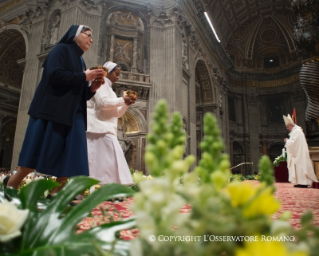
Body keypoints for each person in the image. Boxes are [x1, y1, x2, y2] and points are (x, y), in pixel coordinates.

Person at [7, 25, 106, 196]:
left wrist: (92, 88)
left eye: (92, 37)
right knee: (33, 157)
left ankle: (56, 195)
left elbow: (78, 93)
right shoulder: (61, 49)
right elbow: (54, 75)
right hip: (51, 111)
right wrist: (84, 76)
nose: (91, 39)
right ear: (74, 35)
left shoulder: (81, 61)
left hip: (72, 114)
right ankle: (9, 189)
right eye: (87, 35)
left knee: (69, 159)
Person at [86, 61, 135, 185]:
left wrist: (125, 104)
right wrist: (122, 99)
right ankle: (98, 186)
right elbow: (103, 104)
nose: (118, 77)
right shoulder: (100, 84)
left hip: (106, 128)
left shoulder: (110, 90)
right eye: (116, 74)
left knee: (106, 162)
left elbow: (117, 113)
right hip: (97, 128)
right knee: (100, 161)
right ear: (108, 72)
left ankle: (108, 187)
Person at [283, 114, 318, 188]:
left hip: (299, 154)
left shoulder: (297, 131)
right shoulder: (295, 131)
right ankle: (300, 182)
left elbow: (294, 143)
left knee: (300, 167)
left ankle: (303, 183)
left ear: (291, 125)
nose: (287, 128)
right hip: (298, 153)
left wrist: (287, 141)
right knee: (299, 167)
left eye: (287, 127)